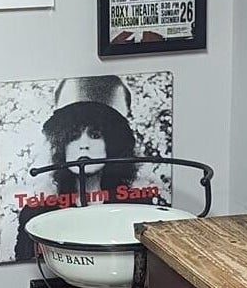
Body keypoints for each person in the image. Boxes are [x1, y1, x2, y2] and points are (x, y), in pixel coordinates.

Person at [13, 76, 159, 262]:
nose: (83, 145)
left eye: (95, 135)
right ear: (62, 145)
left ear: (112, 143)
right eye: (73, 136)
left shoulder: (140, 208)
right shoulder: (36, 214)